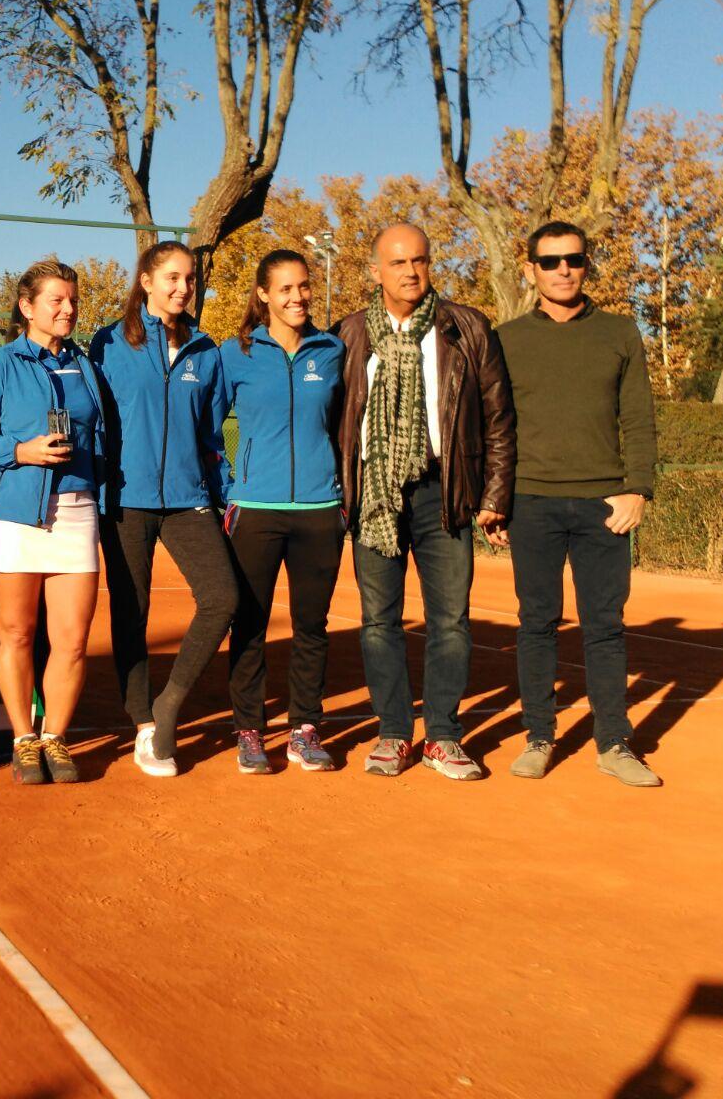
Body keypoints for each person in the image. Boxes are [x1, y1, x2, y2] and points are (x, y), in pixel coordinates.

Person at [335, 223, 514, 781]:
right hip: (375, 494)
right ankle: (393, 733)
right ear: (375, 271)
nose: (410, 272)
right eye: (397, 263)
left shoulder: (466, 328)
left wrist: (493, 495)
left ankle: (442, 736)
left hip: (446, 492)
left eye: (419, 261)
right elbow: (333, 420)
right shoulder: (349, 334)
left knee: (451, 621)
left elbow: (499, 419)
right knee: (377, 622)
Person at [492, 221, 662, 786]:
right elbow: (495, 427)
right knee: (536, 623)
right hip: (532, 503)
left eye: (573, 259)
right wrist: (495, 500)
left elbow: (638, 417)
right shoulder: (507, 338)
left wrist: (638, 487)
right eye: (550, 261)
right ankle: (539, 736)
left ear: (587, 264)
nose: (563, 269)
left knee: (605, 627)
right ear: (531, 269)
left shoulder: (620, 331)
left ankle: (614, 743)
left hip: (604, 506)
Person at [90, 241, 237, 777]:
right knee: (133, 612)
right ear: (146, 281)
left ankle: (168, 703)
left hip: (188, 499)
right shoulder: (107, 342)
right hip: (125, 499)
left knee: (222, 598)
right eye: (171, 277)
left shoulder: (205, 347)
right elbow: (95, 417)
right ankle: (143, 724)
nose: (182, 287)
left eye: (190, 278)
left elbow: (211, 431)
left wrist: (222, 491)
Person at [0, 259, 107, 784]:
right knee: (17, 633)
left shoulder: (85, 365)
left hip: (78, 512)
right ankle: (23, 740)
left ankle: (55, 737)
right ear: (26, 307)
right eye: (55, 300)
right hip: (16, 513)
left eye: (72, 299)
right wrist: (20, 451)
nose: (68, 309)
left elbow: (101, 435)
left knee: (73, 640)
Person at [221, 250, 347, 774]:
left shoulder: (333, 350)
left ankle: (304, 729)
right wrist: (232, 486)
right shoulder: (236, 353)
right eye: (286, 289)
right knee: (249, 623)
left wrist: (339, 491)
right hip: (256, 510)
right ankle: (250, 731)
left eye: (304, 287)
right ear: (264, 295)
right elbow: (208, 425)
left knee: (311, 625)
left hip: (320, 510)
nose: (297, 297)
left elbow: (343, 426)